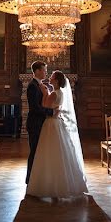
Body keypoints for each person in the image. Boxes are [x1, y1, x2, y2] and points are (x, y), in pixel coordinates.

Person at [26, 70, 88, 198]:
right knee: (58, 151)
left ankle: (50, 183)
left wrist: (44, 93)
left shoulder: (54, 93)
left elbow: (44, 105)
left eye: (52, 77)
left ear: (57, 81)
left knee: (48, 152)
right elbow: (53, 107)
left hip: (50, 124)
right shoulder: (58, 93)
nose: (50, 78)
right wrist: (47, 93)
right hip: (56, 123)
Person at [25, 61, 53, 184]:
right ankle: (30, 179)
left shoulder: (40, 85)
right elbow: (35, 107)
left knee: (39, 151)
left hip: (41, 123)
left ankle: (37, 178)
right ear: (37, 71)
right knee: (34, 151)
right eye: (44, 70)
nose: (46, 72)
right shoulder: (32, 86)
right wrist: (50, 112)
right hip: (35, 124)